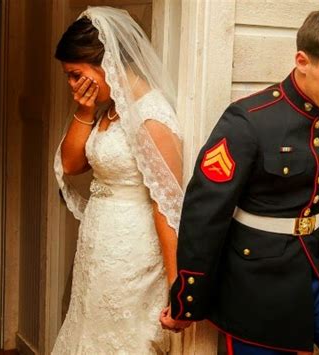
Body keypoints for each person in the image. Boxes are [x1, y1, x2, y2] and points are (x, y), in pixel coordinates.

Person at [160, 11, 319, 355]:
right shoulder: (249, 120)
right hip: (255, 284)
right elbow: (204, 216)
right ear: (302, 61)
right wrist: (188, 301)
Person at [52, 6, 183, 354]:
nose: (71, 84)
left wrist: (178, 285)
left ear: (105, 63)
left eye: (74, 74)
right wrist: (84, 112)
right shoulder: (109, 109)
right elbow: (71, 164)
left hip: (134, 253)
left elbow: (167, 205)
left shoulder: (151, 117)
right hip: (98, 244)